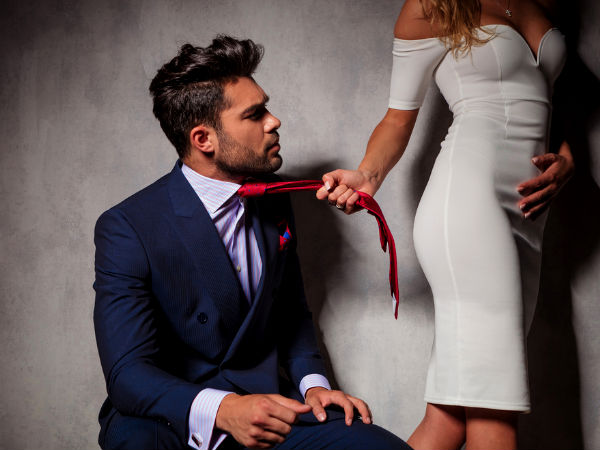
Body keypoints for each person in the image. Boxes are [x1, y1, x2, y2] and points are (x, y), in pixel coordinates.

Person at [93, 35, 409, 450]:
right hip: (169, 418)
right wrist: (223, 410)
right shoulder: (128, 226)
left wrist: (313, 385)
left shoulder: (274, 197)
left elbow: (291, 313)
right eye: (255, 114)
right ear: (203, 139)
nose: (274, 121)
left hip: (269, 403)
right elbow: (128, 373)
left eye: (267, 108)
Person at [317, 0, 574, 449]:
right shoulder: (432, 5)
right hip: (469, 203)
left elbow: (551, 99)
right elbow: (398, 117)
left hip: (528, 218)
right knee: (494, 412)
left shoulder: (544, 2)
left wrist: (567, 158)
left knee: (450, 416)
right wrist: (368, 175)